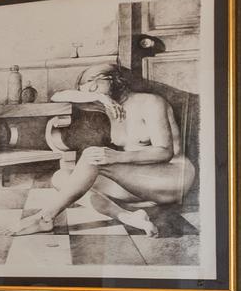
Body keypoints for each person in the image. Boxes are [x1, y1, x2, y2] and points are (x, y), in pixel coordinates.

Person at [11, 62, 196, 237]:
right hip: (139, 182)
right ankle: (127, 216)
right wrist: (99, 97)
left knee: (92, 156)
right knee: (62, 178)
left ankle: (46, 218)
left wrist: (116, 157)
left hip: (172, 178)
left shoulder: (150, 102)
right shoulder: (108, 105)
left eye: (95, 80)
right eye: (85, 84)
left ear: (115, 79)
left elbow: (164, 151)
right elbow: (57, 96)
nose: (89, 87)